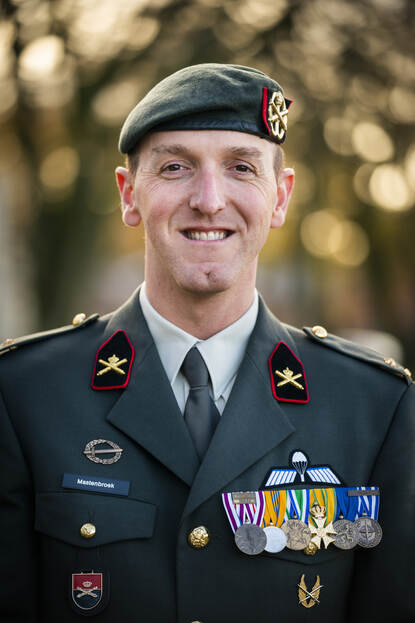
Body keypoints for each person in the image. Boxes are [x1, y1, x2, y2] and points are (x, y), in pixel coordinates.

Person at [0, 63, 414, 623]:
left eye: (241, 168)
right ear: (129, 195)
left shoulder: (376, 406)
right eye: (176, 167)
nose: (209, 200)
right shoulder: (23, 393)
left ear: (280, 198)